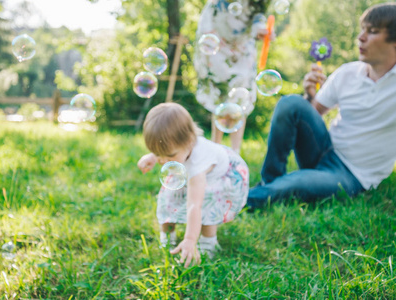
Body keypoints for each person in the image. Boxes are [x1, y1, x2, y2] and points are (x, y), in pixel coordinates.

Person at [247, 2, 396, 208]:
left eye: (372, 32)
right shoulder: (348, 72)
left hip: (351, 175)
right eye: (362, 30)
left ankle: (238, 200)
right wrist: (309, 96)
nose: (360, 38)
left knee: (294, 184)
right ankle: (269, 183)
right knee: (292, 103)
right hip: (323, 150)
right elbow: (309, 114)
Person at [137, 103, 249, 267]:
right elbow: (165, 150)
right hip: (188, 170)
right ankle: (168, 237)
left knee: (207, 204)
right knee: (168, 198)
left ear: (189, 141)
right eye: (158, 154)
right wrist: (153, 157)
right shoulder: (178, 151)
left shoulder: (198, 162)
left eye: (168, 156)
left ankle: (208, 243)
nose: (162, 161)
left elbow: (194, 206)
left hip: (216, 177)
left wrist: (190, 239)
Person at [194, 0, 272, 153]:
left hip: (243, 51)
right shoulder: (215, 5)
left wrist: (262, 31)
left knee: (240, 99)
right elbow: (206, 26)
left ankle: (235, 152)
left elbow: (259, 19)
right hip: (218, 50)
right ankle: (215, 149)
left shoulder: (254, 4)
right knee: (221, 99)